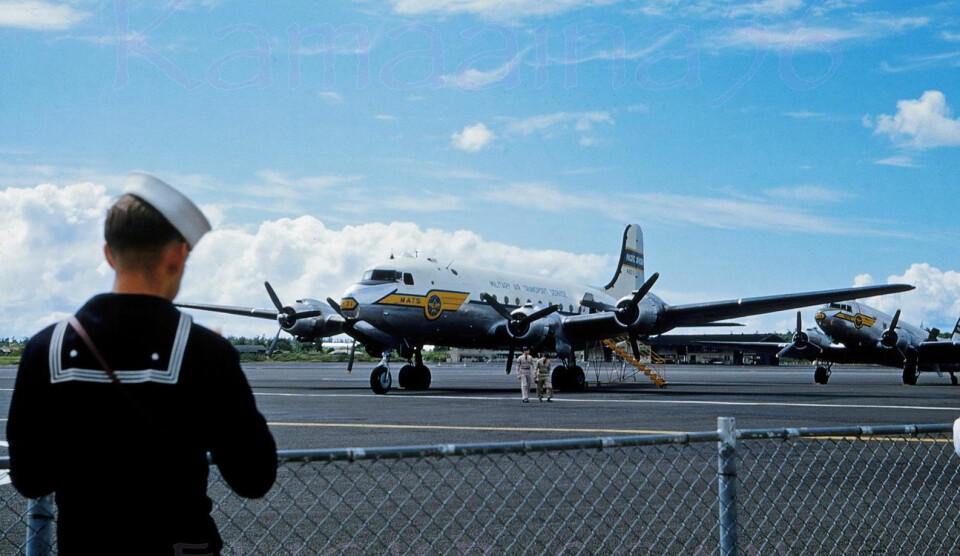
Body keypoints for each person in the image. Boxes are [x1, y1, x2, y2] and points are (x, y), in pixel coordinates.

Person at [7, 173, 277, 555]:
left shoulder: (45, 348)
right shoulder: (206, 352)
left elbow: (30, 479)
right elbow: (254, 478)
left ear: (108, 253)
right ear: (177, 254)